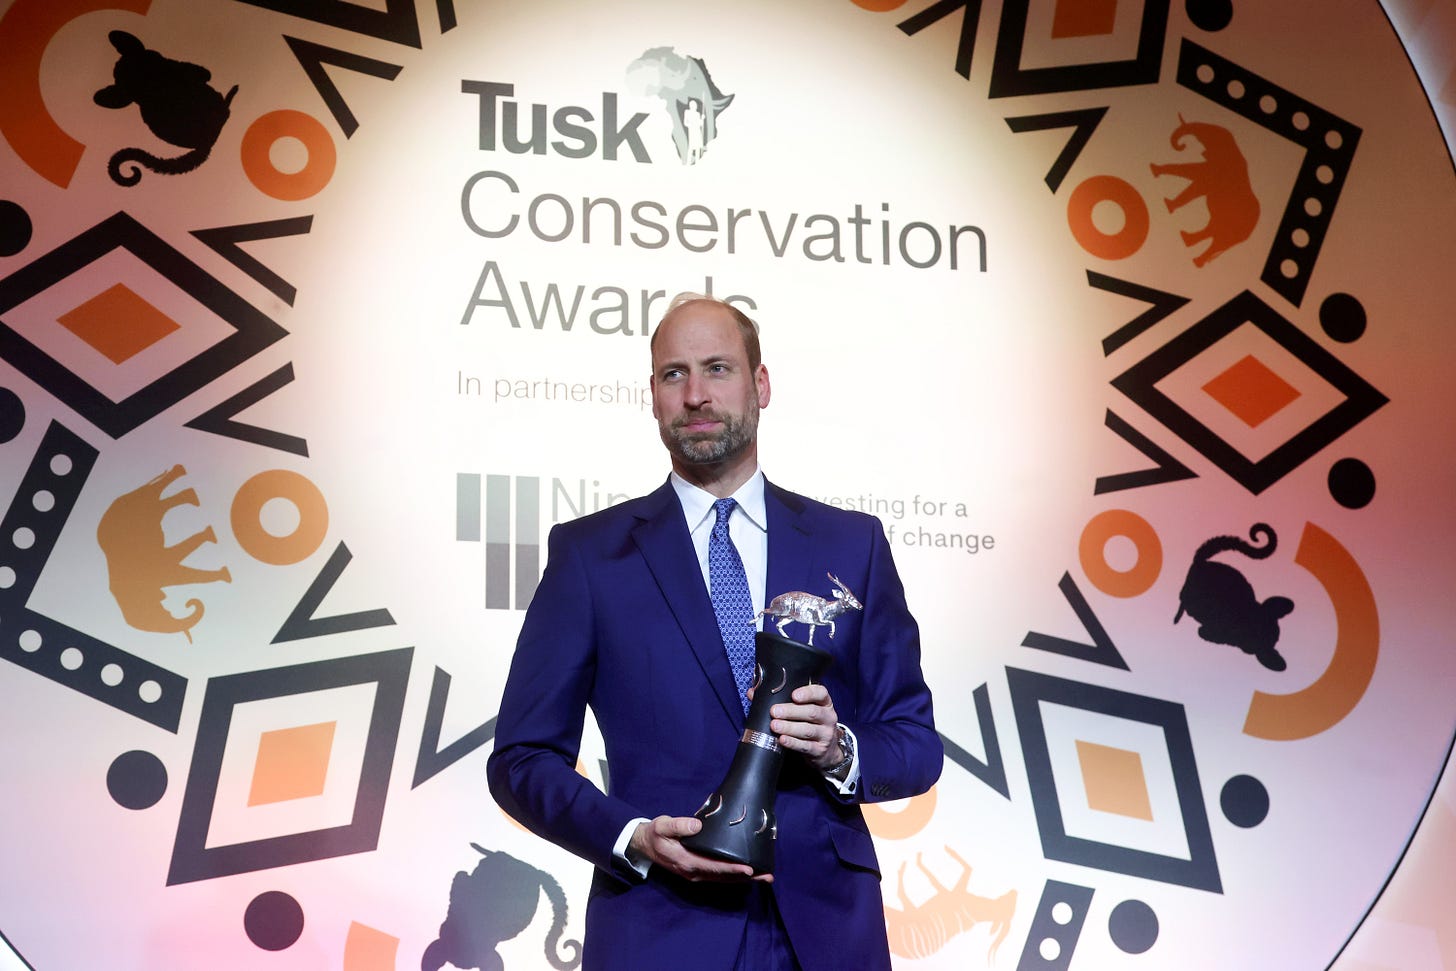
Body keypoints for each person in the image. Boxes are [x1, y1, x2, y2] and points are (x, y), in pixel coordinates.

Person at [487, 293, 941, 971]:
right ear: (652, 395)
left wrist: (839, 749)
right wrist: (631, 836)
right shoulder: (590, 556)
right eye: (675, 374)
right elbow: (521, 758)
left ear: (760, 384)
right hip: (659, 925)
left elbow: (914, 742)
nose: (696, 394)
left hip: (826, 931)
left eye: (718, 369)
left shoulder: (853, 546)